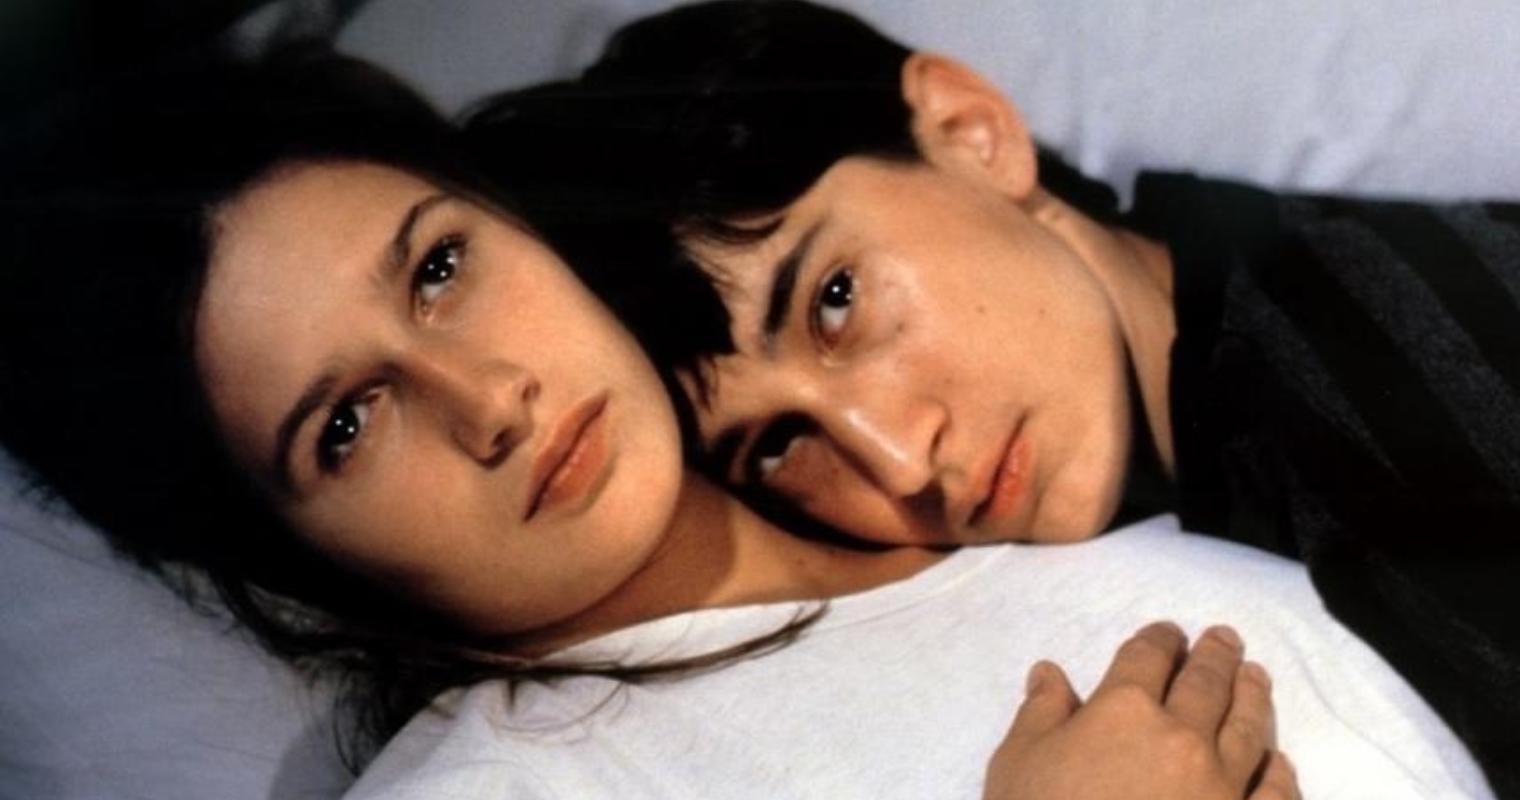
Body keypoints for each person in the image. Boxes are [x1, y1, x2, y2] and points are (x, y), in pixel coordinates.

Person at [0, 41, 1482, 800]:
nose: (487, 402)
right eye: (344, 427)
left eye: (440, 268)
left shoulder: (1032, 480)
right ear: (290, 561)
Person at [462, 1, 1520, 792]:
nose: (897, 457)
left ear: (971, 130)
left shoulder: (1371, 373)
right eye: (777, 444)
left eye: (835, 300)